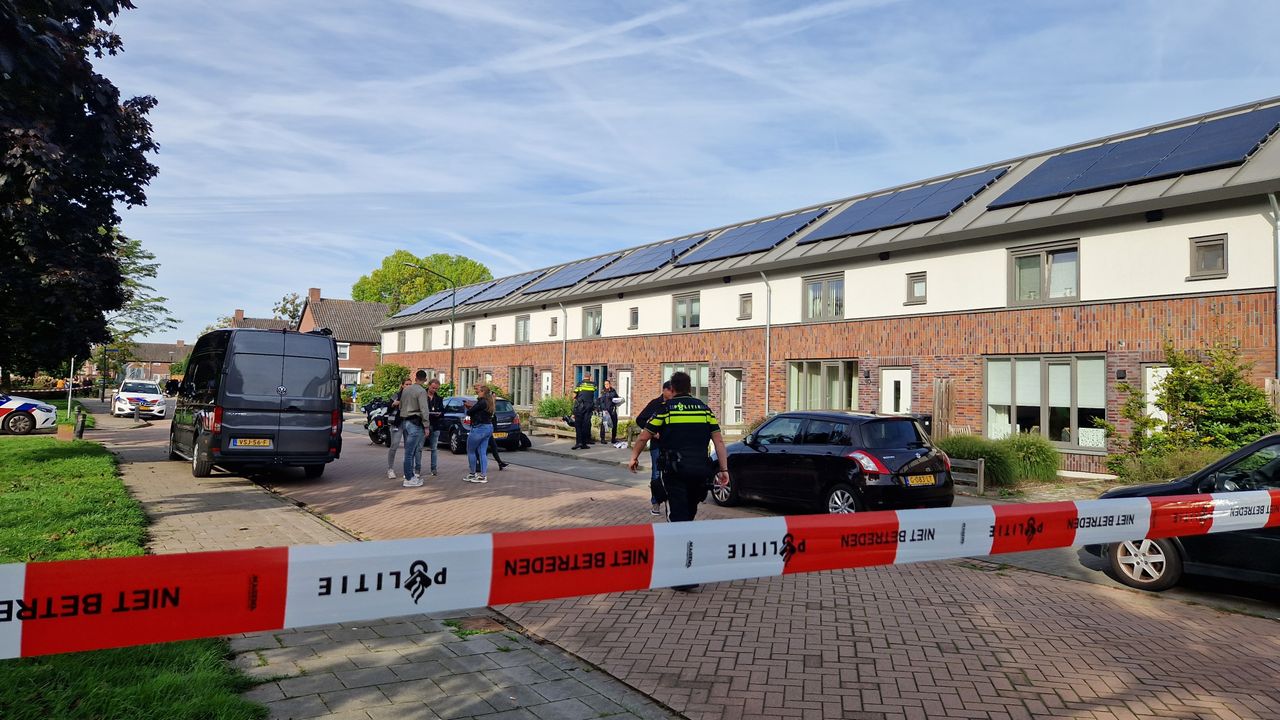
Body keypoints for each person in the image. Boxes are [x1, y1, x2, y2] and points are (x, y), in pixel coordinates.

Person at [628, 371, 729, 592]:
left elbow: (644, 436)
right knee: (688, 516)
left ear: (672, 388)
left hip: (675, 472)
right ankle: (686, 566)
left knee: (678, 519)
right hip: (700, 472)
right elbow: (719, 440)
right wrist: (723, 469)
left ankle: (682, 572)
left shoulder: (666, 409)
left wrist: (634, 457)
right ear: (690, 387)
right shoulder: (704, 409)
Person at [634, 381, 674, 516]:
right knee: (656, 473)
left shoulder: (675, 405)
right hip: (657, 446)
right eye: (671, 391)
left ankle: (671, 502)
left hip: (671, 445)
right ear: (665, 390)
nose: (673, 394)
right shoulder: (655, 404)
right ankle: (655, 503)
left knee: (672, 473)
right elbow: (640, 419)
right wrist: (652, 431)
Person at [397, 370, 430, 488]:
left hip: (405, 421)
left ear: (415, 378)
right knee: (410, 452)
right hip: (415, 422)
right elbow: (424, 409)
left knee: (408, 451)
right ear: (425, 379)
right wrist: (426, 425)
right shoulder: (421, 391)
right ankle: (409, 478)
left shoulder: (406, 390)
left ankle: (409, 475)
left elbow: (400, 405)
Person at [463, 384, 496, 483]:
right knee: (482, 452)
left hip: (479, 428)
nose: (477, 392)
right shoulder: (489, 402)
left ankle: (472, 473)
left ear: (483, 393)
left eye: (479, 391)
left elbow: (470, 413)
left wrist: (468, 407)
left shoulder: (482, 402)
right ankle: (483, 475)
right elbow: (478, 410)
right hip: (488, 427)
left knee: (471, 450)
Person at [385, 378, 414, 480]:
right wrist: (393, 404)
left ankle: (408, 470)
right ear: (402, 385)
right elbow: (387, 408)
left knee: (409, 447)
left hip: (409, 423)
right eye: (407, 384)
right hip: (397, 424)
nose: (409, 386)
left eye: (410, 384)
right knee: (394, 445)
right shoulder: (396, 395)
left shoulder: (413, 396)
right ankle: (390, 469)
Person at [424, 378, 445, 477]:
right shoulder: (422, 396)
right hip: (423, 425)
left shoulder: (439, 398)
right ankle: (417, 468)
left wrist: (439, 414)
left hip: (435, 424)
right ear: (428, 386)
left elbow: (443, 411)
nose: (434, 390)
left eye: (436, 389)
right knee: (419, 447)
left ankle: (433, 468)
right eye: (433, 388)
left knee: (434, 448)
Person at [571, 372, 597, 449]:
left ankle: (578, 442)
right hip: (589, 407)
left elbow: (574, 395)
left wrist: (576, 398)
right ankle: (584, 444)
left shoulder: (580, 384)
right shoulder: (593, 384)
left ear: (584, 376)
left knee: (578, 425)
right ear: (590, 377)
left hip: (580, 406)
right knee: (586, 425)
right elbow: (594, 391)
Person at [598, 379, 620, 444]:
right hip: (606, 410)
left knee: (614, 424)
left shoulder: (613, 391)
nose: (606, 385)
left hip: (612, 409)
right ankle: (602, 439)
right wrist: (604, 409)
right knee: (604, 424)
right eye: (605, 384)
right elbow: (601, 401)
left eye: (607, 384)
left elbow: (616, 398)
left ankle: (613, 438)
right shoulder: (603, 391)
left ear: (610, 384)